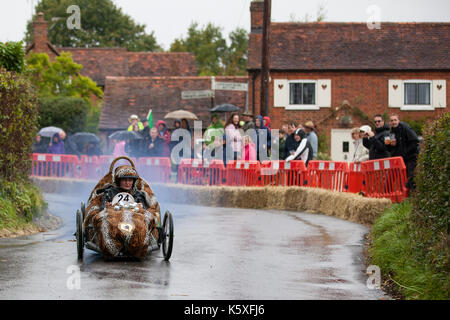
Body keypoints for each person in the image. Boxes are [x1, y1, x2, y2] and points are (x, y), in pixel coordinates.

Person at [387, 114, 419, 191]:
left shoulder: (405, 128)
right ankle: (388, 196)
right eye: (391, 120)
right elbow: (391, 149)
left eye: (395, 120)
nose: (393, 122)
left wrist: (404, 153)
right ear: (389, 122)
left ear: (398, 120)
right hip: (398, 159)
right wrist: (390, 145)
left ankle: (411, 198)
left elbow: (415, 141)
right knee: (390, 178)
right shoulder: (391, 132)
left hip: (410, 157)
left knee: (410, 177)